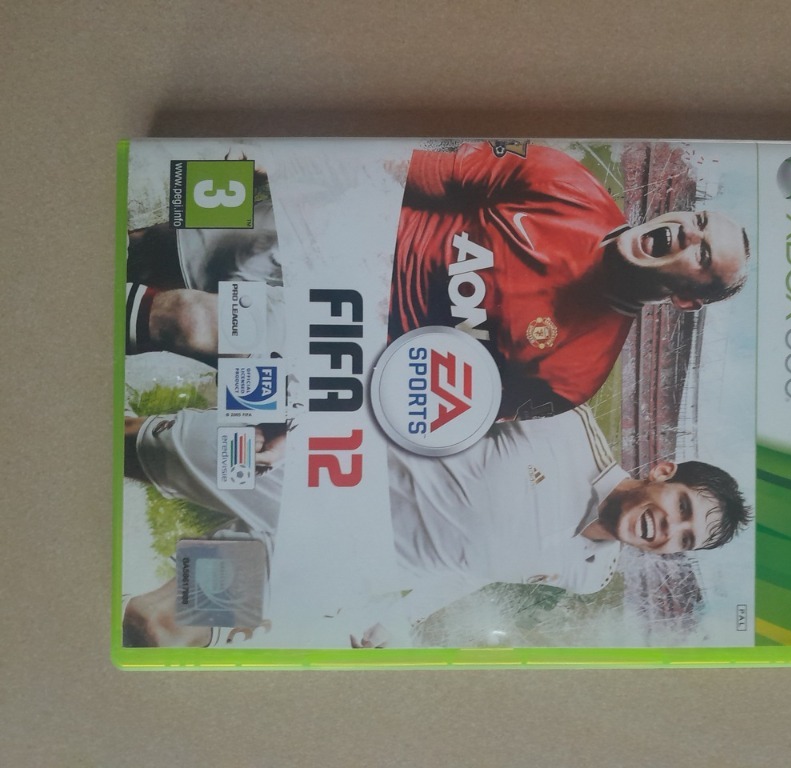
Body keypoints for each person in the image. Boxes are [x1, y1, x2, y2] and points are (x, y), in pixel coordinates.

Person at [120, 405, 749, 646]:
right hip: (314, 465)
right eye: (683, 508)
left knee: (159, 626)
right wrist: (304, 418)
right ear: (663, 471)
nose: (670, 530)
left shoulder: (589, 575)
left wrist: (395, 619)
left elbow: (470, 570)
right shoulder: (562, 419)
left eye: (685, 541)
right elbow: (409, 381)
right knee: (123, 446)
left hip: (321, 558)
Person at [389, 140, 752, 418]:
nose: (690, 232)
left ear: (686, 299)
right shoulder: (563, 179)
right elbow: (404, 169)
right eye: (699, 220)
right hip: (369, 232)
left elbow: (449, 413)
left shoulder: (575, 379)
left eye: (704, 255)